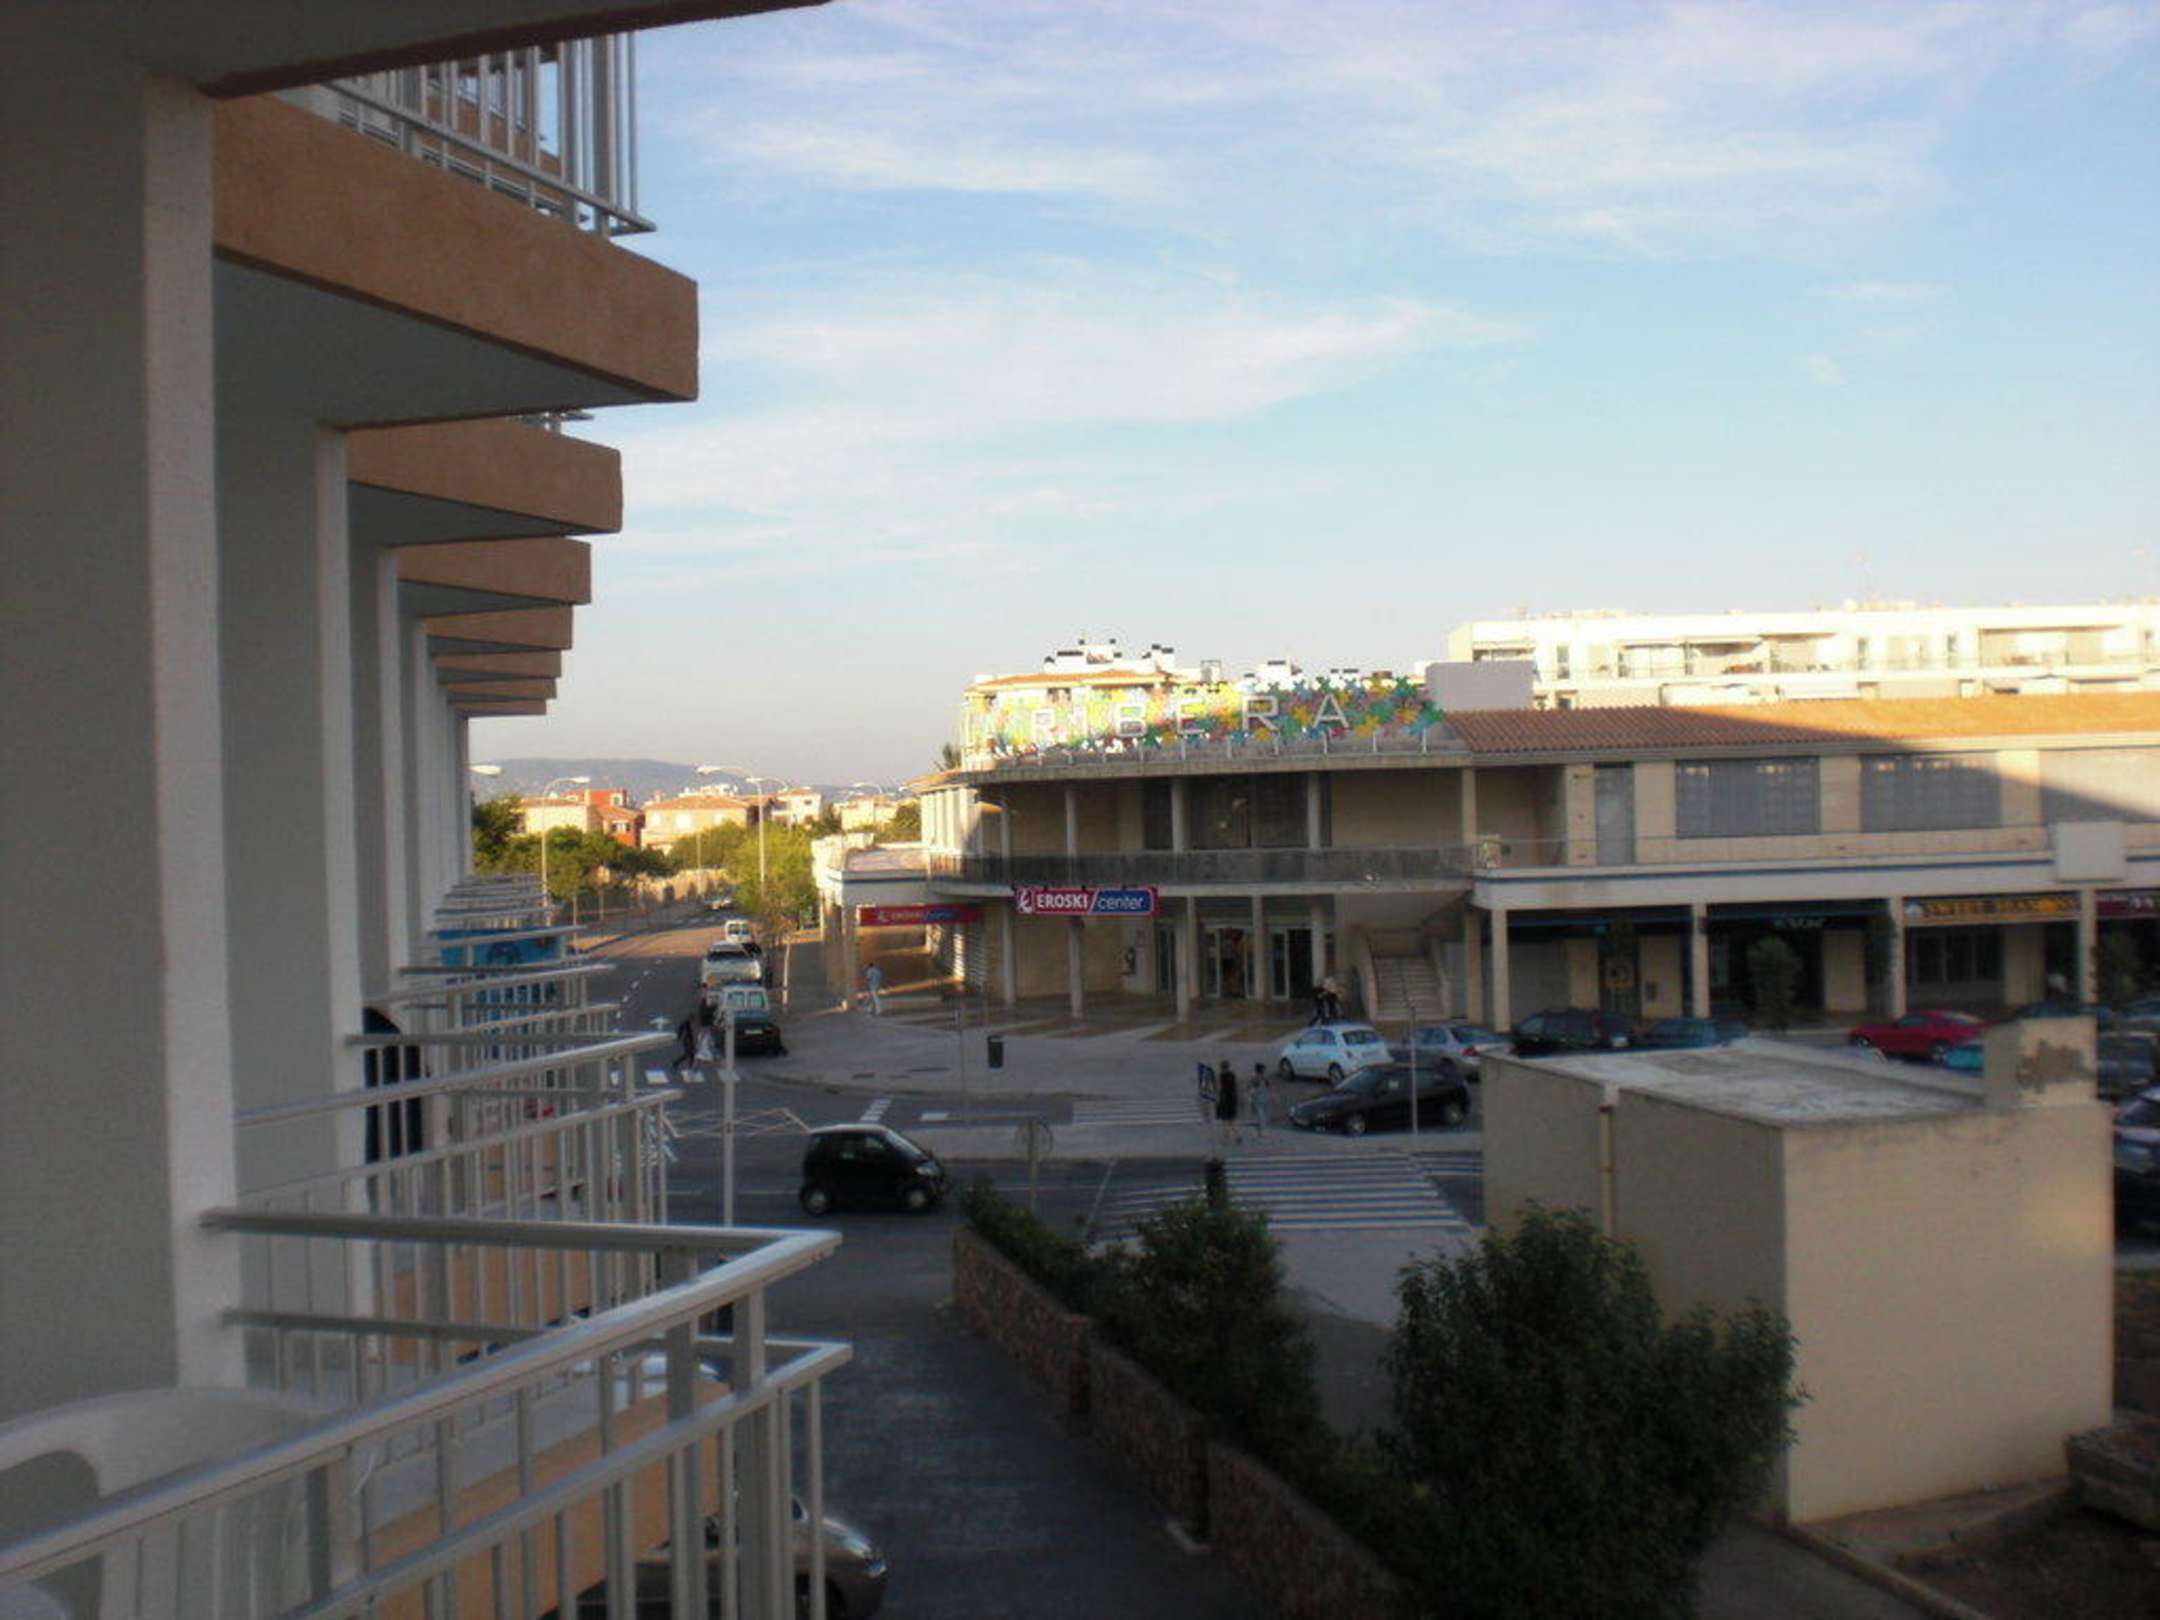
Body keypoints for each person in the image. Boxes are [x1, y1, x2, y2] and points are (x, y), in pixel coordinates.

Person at [1214, 1053, 1241, 1148]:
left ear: (1221, 1067)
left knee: (1225, 1121)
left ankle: (1226, 1140)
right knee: (1232, 1120)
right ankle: (1237, 1136)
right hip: (1233, 1099)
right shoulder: (1233, 1075)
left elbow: (1218, 1089)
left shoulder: (1220, 1076)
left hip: (1224, 1100)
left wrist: (1217, 1100)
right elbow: (1236, 1086)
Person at [1250, 1060, 1271, 1138]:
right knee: (1259, 1116)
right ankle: (1259, 1132)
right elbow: (1252, 1089)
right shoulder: (1255, 1078)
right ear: (1260, 1070)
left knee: (1261, 1116)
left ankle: (1259, 1132)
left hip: (1263, 1099)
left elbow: (1268, 1086)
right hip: (1257, 1100)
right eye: (1263, 1069)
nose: (1264, 1071)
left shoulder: (1263, 1078)